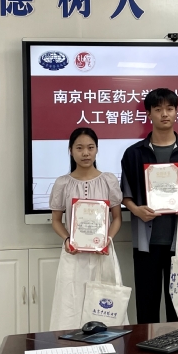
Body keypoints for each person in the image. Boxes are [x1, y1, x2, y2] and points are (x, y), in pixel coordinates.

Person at [121, 88, 178, 324]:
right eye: (158, 109)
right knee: (146, 304)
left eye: (169, 108)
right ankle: (148, 348)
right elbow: (125, 194)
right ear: (149, 114)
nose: (164, 114)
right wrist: (136, 210)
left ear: (177, 112)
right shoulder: (133, 154)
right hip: (146, 243)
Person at [49, 127, 125, 330]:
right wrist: (67, 239)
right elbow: (56, 220)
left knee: (105, 306)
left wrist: (107, 240)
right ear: (70, 150)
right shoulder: (62, 183)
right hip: (73, 255)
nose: (85, 153)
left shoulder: (108, 180)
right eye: (79, 148)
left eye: (90, 148)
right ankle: (71, 346)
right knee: (71, 306)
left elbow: (117, 218)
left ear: (97, 150)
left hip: (103, 253)